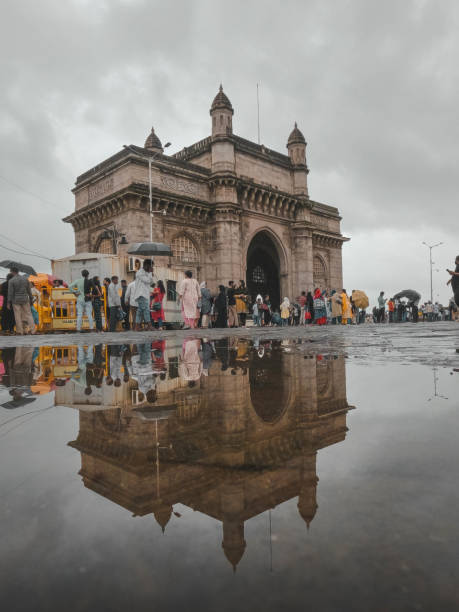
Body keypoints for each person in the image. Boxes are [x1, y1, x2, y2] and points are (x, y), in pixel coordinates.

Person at [7, 267, 36, 335]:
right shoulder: (25, 279)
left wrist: (8, 302)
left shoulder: (11, 281)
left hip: (16, 300)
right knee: (29, 314)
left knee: (17, 315)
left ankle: (20, 331)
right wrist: (31, 298)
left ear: (12, 272)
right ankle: (33, 330)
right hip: (25, 299)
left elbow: (10, 292)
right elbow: (29, 290)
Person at [133, 259, 153, 331]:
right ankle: (149, 326)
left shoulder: (146, 273)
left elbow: (151, 283)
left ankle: (137, 327)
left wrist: (150, 274)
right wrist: (150, 274)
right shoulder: (139, 273)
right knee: (146, 310)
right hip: (141, 294)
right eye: (151, 266)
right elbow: (147, 280)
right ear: (146, 265)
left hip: (145, 294)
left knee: (140, 311)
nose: (151, 268)